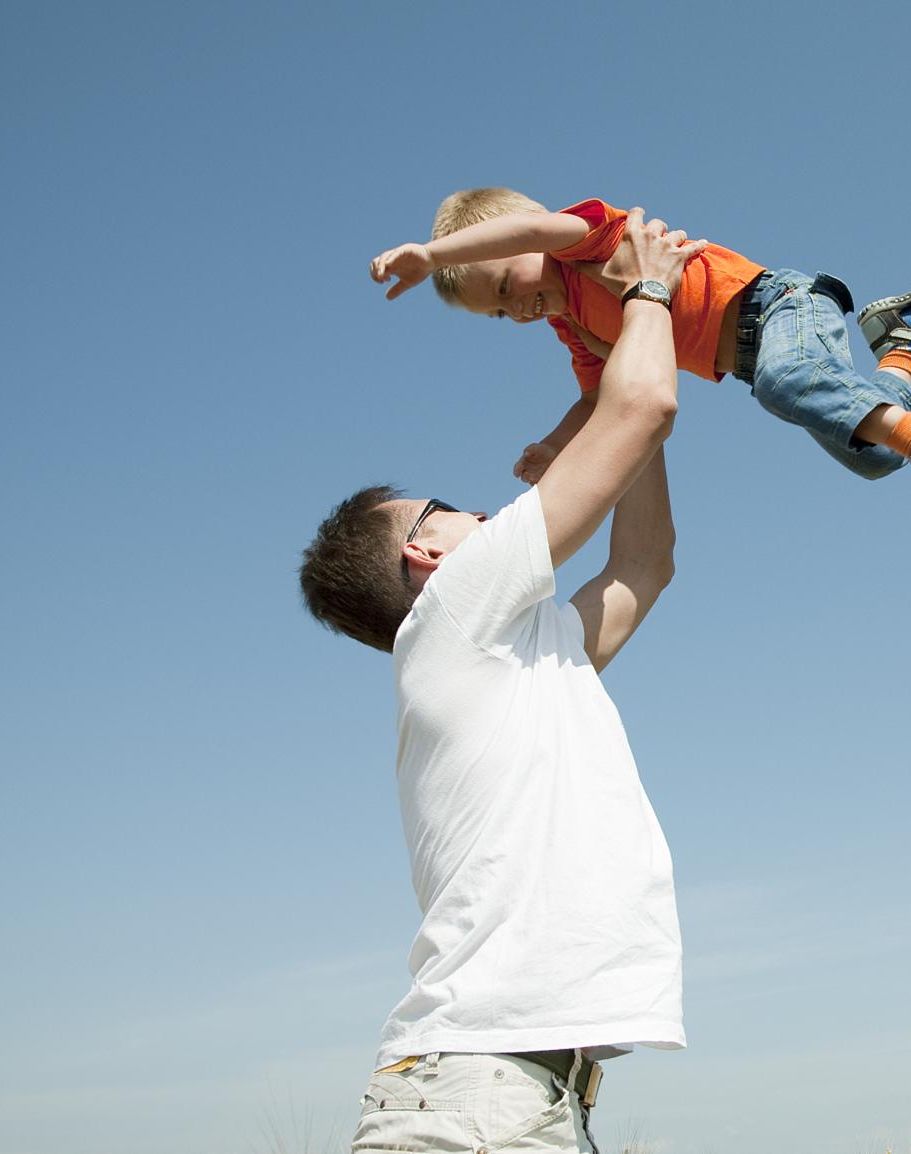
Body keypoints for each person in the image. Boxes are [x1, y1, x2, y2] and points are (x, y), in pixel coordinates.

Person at [300, 209, 702, 1153]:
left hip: (504, 1095)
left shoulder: (511, 654)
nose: (478, 509)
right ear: (425, 557)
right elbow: (646, 408)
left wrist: (612, 387)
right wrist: (641, 296)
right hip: (477, 1097)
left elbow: (645, 565)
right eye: (446, 510)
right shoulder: (452, 616)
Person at [369, 188, 911, 511]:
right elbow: (597, 395)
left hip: (779, 308)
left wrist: (433, 254)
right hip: (758, 363)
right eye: (500, 312)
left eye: (507, 286)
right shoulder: (574, 329)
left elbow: (534, 229)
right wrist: (554, 446)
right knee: (868, 456)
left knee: (791, 383)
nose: (517, 311)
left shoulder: (586, 241)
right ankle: (902, 338)